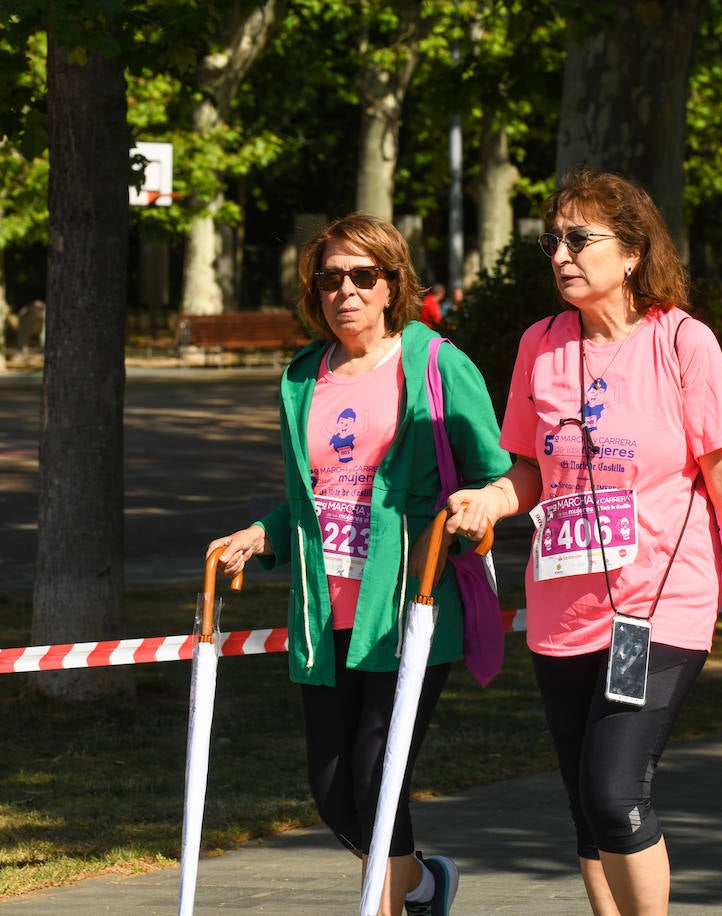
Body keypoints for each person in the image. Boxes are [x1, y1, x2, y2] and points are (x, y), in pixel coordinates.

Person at [444, 168, 722, 915]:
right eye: (553, 240)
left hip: (657, 607)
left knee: (614, 791)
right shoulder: (540, 345)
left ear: (631, 251)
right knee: (584, 803)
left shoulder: (682, 342)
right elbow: (529, 472)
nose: (562, 254)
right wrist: (491, 499)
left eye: (580, 238)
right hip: (562, 609)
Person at [208, 212, 510, 916]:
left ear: (391, 284)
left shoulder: (435, 364)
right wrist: (263, 533)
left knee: (377, 780)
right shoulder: (301, 379)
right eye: (330, 277)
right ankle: (427, 885)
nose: (345, 290)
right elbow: (307, 500)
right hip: (324, 611)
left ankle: (391, 906)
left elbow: (496, 474)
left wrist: (476, 511)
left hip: (407, 605)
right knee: (331, 790)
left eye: (362, 276)